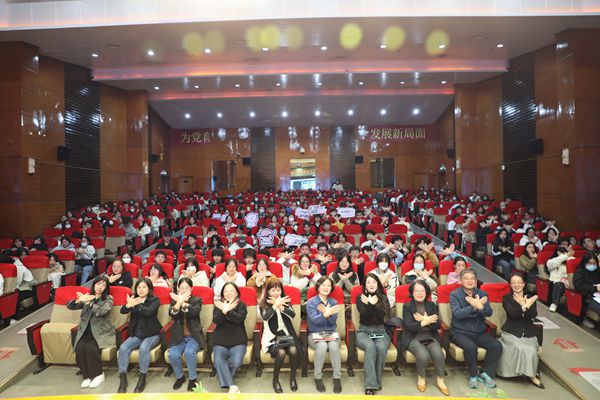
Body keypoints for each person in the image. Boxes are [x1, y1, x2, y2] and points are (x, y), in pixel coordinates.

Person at [449, 269, 503, 389]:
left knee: (496, 346)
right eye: (466, 278)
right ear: (461, 280)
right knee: (470, 347)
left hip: (479, 332)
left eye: (472, 279)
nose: (469, 281)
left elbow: (489, 312)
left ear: (476, 281)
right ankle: (473, 375)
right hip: (460, 332)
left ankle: (485, 372)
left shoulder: (482, 294)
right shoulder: (454, 295)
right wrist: (474, 306)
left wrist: (481, 307)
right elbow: (458, 314)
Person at [402, 280, 448, 396]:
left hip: (429, 335)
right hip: (414, 337)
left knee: (438, 353)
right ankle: (421, 378)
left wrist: (424, 320)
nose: (419, 293)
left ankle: (440, 380)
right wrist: (425, 322)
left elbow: (437, 324)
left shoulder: (431, 305)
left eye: (422, 291)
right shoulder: (407, 306)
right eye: (417, 291)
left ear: (426, 292)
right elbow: (409, 326)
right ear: (412, 293)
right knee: (423, 355)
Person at [497, 273, 543, 388]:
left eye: (519, 282)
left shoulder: (530, 297)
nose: (516, 285)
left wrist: (526, 304)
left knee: (531, 350)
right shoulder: (506, 298)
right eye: (513, 283)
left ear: (523, 284)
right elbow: (512, 313)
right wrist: (524, 306)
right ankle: (525, 375)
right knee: (520, 347)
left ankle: (531, 375)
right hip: (511, 331)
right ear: (510, 285)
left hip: (528, 332)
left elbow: (533, 314)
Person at [67, 276, 114, 389]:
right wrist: (79, 300)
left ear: (106, 288)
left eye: (103, 285)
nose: (100, 287)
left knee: (91, 348)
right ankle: (87, 376)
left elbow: (101, 311)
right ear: (94, 285)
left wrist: (89, 303)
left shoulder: (108, 299)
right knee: (79, 347)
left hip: (101, 332)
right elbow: (70, 306)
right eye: (98, 284)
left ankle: (98, 375)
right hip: (86, 331)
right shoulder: (87, 296)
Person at [117, 278, 162, 393]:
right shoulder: (133, 299)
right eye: (139, 287)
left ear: (149, 288)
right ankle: (123, 378)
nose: (141, 290)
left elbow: (148, 312)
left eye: (144, 287)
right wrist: (128, 305)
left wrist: (135, 305)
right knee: (123, 348)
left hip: (152, 334)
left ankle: (142, 377)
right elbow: (123, 310)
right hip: (137, 334)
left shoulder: (155, 300)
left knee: (144, 348)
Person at [260, 279, 300, 393]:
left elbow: (292, 315)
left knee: (293, 350)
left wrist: (282, 307)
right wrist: (275, 305)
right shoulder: (263, 304)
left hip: (285, 335)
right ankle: (275, 380)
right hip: (271, 337)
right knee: (281, 353)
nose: (276, 293)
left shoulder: (285, 301)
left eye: (278, 290)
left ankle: (293, 377)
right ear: (268, 291)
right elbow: (265, 317)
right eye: (273, 290)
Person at [355, 273, 390, 395]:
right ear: (365, 285)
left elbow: (382, 315)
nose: (371, 285)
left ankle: (377, 381)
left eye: (374, 282)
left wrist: (371, 304)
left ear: (378, 284)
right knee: (370, 347)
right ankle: (370, 385)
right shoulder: (360, 298)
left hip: (380, 330)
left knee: (381, 347)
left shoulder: (383, 298)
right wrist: (371, 304)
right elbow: (365, 315)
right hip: (364, 331)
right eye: (368, 282)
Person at [168, 277, 205, 392]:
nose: (184, 290)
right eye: (181, 288)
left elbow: (193, 312)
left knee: (189, 352)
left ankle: (192, 379)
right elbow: (172, 314)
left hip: (194, 336)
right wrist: (178, 302)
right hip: (179, 336)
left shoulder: (197, 300)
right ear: (178, 289)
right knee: (172, 354)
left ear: (191, 289)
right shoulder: (175, 301)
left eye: (186, 288)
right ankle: (180, 377)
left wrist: (182, 302)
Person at [306, 277, 343, 393]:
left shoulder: (333, 302)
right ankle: (318, 377)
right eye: (323, 285)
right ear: (318, 287)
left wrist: (329, 314)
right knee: (322, 346)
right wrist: (325, 314)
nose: (326, 288)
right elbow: (315, 321)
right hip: (315, 334)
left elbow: (332, 322)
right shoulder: (311, 302)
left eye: (328, 285)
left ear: (331, 288)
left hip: (331, 332)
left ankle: (337, 377)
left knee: (333, 346)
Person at [213, 282, 248, 393]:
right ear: (223, 293)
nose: (228, 293)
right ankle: (232, 385)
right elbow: (216, 320)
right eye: (226, 291)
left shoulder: (241, 305)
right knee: (218, 360)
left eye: (231, 290)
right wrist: (223, 311)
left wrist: (227, 311)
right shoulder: (218, 304)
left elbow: (238, 319)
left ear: (237, 293)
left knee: (236, 363)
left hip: (238, 340)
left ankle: (225, 381)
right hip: (220, 341)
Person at [573, 253, 600, 328]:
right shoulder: (579, 272)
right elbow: (579, 286)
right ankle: (584, 318)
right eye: (590, 263)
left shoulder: (598, 271)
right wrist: (595, 288)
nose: (592, 265)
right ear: (584, 263)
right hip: (588, 296)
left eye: (594, 263)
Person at [546, 246, 575, 312]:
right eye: (563, 253)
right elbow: (556, 261)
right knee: (559, 284)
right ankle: (554, 304)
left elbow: (573, 260)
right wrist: (566, 255)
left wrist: (568, 256)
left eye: (565, 253)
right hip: (555, 283)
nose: (565, 254)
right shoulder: (551, 261)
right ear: (558, 253)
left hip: (567, 282)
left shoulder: (569, 260)